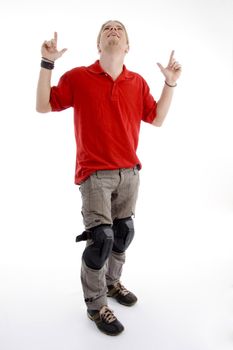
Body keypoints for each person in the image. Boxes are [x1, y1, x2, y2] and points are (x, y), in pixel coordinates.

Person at [36, 20, 182, 336]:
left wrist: (169, 84)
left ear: (127, 45)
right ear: (98, 44)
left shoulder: (137, 82)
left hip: (129, 172)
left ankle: (113, 283)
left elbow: (156, 118)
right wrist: (47, 63)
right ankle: (95, 304)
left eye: (119, 29)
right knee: (101, 239)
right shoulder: (78, 77)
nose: (113, 30)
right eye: (107, 29)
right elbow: (43, 105)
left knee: (123, 232)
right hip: (94, 175)